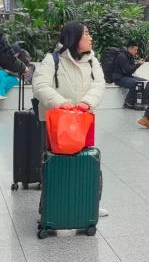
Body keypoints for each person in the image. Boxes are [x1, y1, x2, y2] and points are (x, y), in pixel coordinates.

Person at [32, 21, 107, 216]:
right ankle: (49, 207)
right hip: (56, 122)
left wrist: (87, 102)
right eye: (86, 34)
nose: (90, 38)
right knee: (55, 165)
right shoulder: (52, 59)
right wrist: (61, 103)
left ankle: (90, 204)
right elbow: (40, 85)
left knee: (86, 161)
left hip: (83, 120)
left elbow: (99, 84)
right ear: (74, 38)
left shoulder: (92, 60)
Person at [111, 40, 146, 110]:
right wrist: (138, 64)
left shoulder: (130, 56)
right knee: (135, 83)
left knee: (144, 82)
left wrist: (137, 64)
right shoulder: (122, 56)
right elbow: (128, 70)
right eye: (135, 50)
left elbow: (131, 70)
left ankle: (141, 102)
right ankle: (128, 103)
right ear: (130, 49)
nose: (136, 52)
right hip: (119, 78)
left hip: (127, 76)